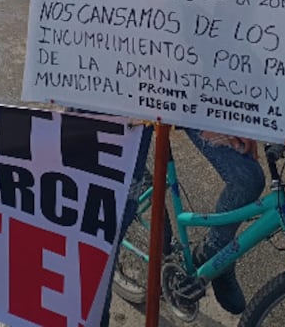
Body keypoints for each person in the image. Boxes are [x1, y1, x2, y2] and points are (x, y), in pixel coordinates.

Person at [104, 127, 264, 321]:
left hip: (190, 103)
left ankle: (216, 252)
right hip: (136, 106)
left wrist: (236, 118)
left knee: (248, 179)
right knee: (124, 177)